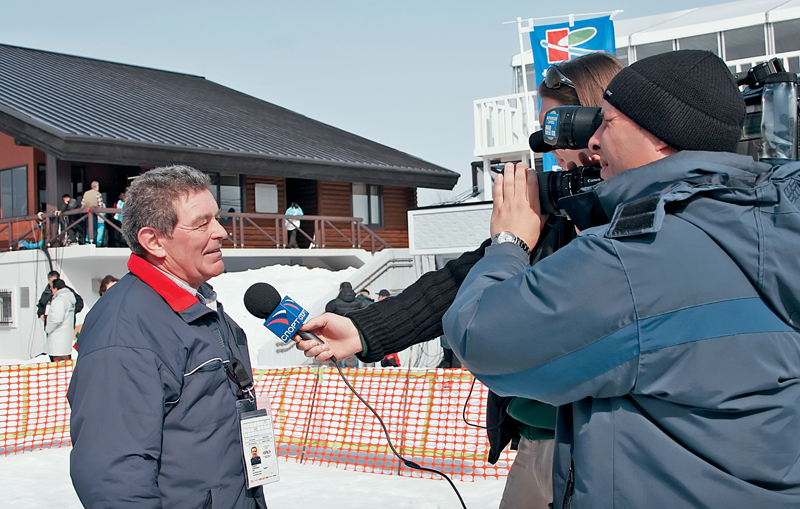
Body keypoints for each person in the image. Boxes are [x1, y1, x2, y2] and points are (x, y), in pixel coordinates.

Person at [441, 50, 800, 507]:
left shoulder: (638, 256)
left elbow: (484, 337)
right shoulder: (766, 222)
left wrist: (509, 241)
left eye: (607, 122)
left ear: (660, 138)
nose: (593, 141)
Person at [297, 52, 622, 509]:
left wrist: (516, 238)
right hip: (540, 440)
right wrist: (365, 330)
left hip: (606, 443)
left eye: (557, 128)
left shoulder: (634, 219)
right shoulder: (559, 213)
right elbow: (460, 279)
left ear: (598, 123)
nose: (548, 147)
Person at [67, 165, 267, 508]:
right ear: (154, 241)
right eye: (202, 223)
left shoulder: (199, 301)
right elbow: (113, 476)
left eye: (216, 218)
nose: (221, 232)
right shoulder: (125, 329)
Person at [45, 279, 76, 361]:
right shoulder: (69, 299)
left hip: (57, 343)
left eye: (51, 288)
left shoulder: (59, 300)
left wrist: (48, 329)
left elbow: (56, 319)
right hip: (66, 341)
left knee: (59, 368)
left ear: (55, 288)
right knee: (66, 367)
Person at [81, 181, 105, 246]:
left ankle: (88, 241)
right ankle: (93, 241)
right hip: (94, 212)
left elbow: (82, 203)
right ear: (96, 187)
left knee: (88, 226)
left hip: (86, 212)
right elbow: (100, 205)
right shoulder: (98, 193)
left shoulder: (86, 193)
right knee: (94, 227)